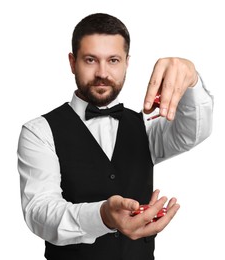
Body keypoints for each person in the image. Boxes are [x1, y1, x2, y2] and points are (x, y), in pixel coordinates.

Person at [17, 13, 213, 260]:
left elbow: (193, 133)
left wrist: (192, 79)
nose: (102, 72)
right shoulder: (39, 131)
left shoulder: (146, 125)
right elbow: (39, 213)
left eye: (113, 60)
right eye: (90, 60)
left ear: (126, 63)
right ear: (72, 62)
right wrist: (103, 216)